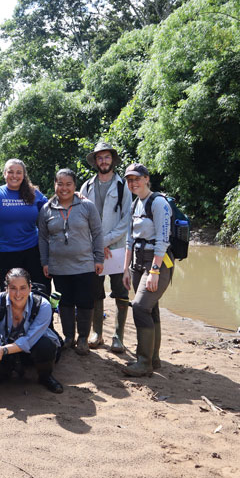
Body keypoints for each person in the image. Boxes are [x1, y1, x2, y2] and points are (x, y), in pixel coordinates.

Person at [38, 169, 104, 355]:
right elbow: (42, 238)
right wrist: (45, 261)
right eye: (60, 184)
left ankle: (83, 338)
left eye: (68, 184)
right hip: (58, 266)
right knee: (64, 302)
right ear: (54, 185)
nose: (64, 188)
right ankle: (69, 337)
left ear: (75, 186)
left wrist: (98, 258)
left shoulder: (86, 206)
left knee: (85, 301)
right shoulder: (46, 209)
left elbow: (98, 233)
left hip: (84, 264)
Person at [121, 162, 173, 377]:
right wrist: (125, 269)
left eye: (136, 178)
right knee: (150, 308)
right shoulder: (135, 204)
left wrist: (155, 272)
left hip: (158, 263)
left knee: (140, 307)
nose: (133, 183)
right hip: (138, 263)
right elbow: (129, 240)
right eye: (129, 179)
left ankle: (144, 362)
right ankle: (154, 358)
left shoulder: (158, 203)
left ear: (146, 179)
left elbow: (162, 240)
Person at [80, 143, 132, 353]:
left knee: (121, 290)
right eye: (99, 158)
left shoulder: (124, 186)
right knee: (95, 290)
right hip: (93, 250)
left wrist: (106, 242)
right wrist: (97, 244)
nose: (103, 161)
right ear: (95, 161)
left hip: (118, 249)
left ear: (113, 160)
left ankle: (118, 336)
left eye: (106, 157)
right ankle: (97, 333)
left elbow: (127, 218)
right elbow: (80, 217)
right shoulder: (86, 186)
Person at [0, 268, 63, 393]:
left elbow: (29, 340)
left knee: (45, 346)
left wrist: (3, 350)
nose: (18, 294)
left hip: (32, 349)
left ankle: (45, 377)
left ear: (30, 287)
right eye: (13, 288)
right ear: (6, 288)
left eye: (23, 288)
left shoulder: (43, 305)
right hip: (7, 349)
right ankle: (3, 375)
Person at [0, 159, 49, 292]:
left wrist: (74, 195)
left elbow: (53, 206)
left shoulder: (33, 193)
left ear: (24, 175)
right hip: (6, 253)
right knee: (9, 294)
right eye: (10, 172)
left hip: (33, 250)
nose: (14, 176)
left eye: (19, 172)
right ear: (4, 173)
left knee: (39, 292)